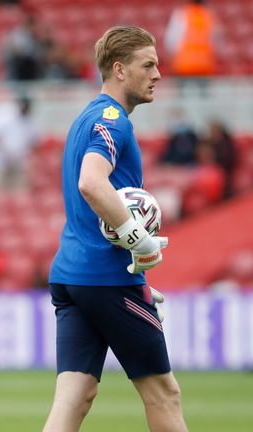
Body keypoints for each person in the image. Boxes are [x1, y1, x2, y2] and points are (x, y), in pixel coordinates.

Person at [45, 26, 188, 431]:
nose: (158, 73)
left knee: (73, 398)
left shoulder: (86, 117)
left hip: (71, 275)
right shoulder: (113, 120)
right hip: (108, 278)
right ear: (120, 70)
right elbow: (91, 182)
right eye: (149, 65)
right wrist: (138, 240)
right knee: (164, 392)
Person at [0, 94, 39, 189]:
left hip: (19, 163)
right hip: (0, 162)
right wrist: (5, 153)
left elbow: (34, 145)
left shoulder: (31, 122)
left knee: (19, 193)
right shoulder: (3, 115)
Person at [165, 0, 220, 90]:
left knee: (182, 99)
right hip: (204, 66)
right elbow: (216, 40)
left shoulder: (182, 14)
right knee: (204, 100)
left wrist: (171, 59)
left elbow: (171, 40)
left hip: (184, 66)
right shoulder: (209, 15)